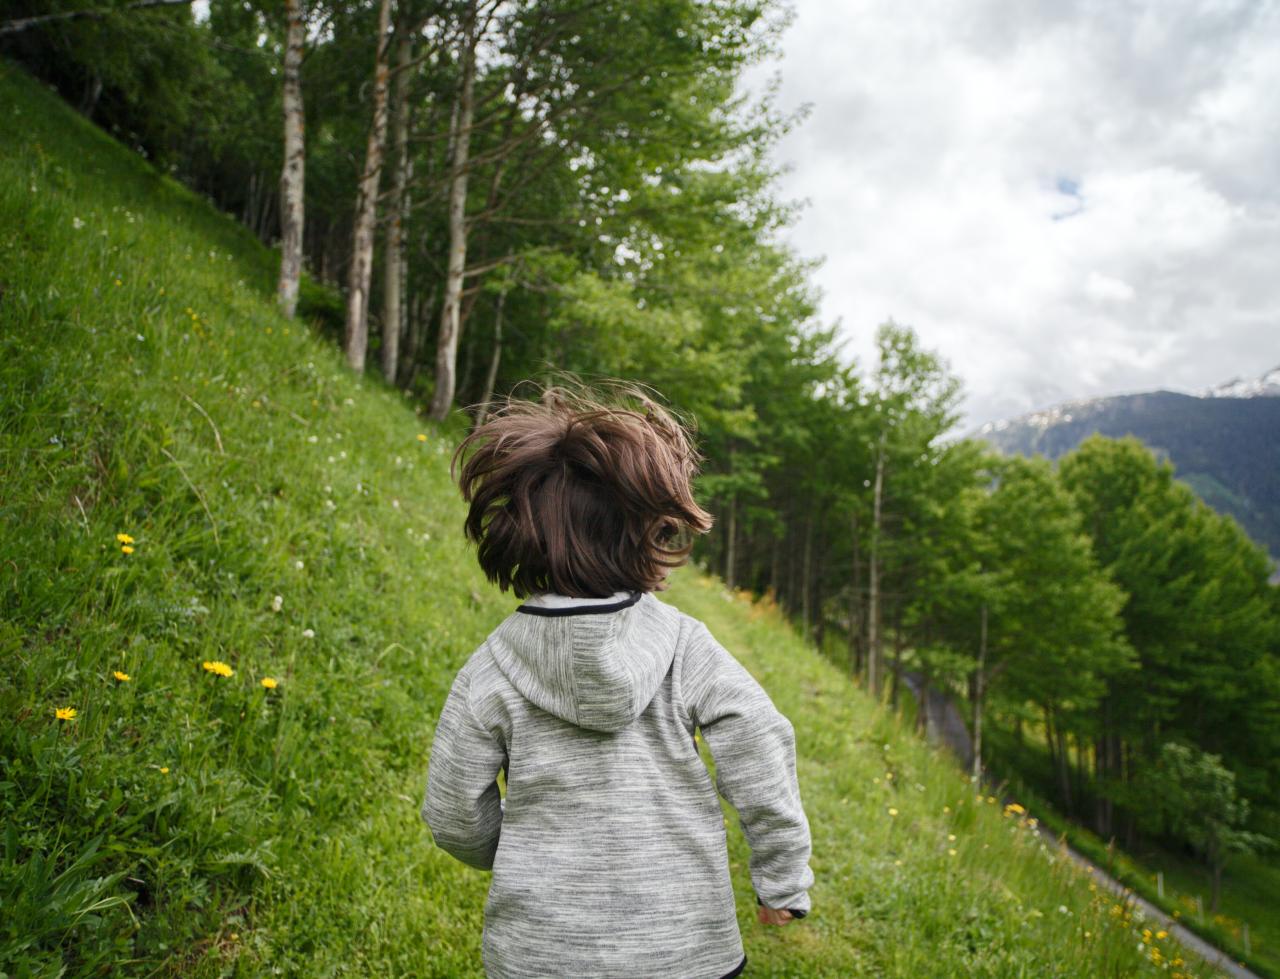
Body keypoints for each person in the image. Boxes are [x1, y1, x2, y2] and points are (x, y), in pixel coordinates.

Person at [423, 383, 814, 979]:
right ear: (649, 533)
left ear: (519, 532)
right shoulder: (684, 645)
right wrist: (783, 877)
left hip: (540, 956)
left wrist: (518, 855)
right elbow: (758, 737)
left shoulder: (492, 667)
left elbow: (453, 813)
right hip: (685, 951)